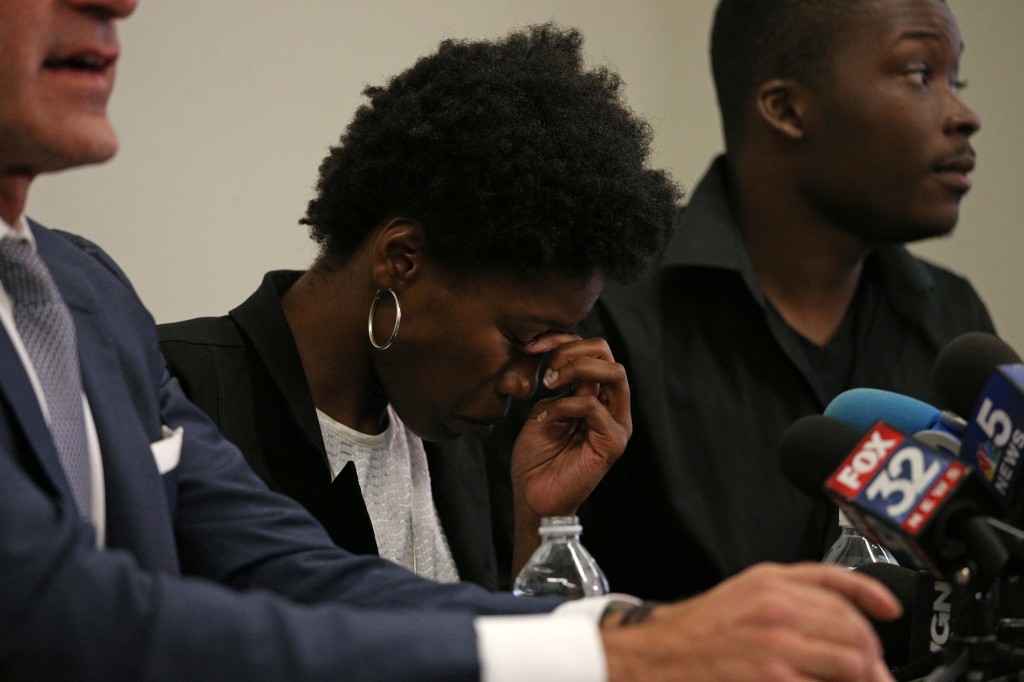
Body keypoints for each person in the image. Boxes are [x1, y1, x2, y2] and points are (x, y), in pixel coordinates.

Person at [0, 1, 902, 680]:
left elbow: (294, 569)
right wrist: (623, 653)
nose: (118, 2)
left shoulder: (87, 292)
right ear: (401, 259)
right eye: (522, 337)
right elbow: (93, 619)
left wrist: (586, 585)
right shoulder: (194, 369)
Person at [156, 24, 676, 589]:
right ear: (400, 260)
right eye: (523, 338)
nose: (524, 385)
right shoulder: (173, 390)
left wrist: (544, 522)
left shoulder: (453, 437)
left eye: (551, 346)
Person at [558, 0, 997, 602]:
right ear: (787, 109)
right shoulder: (609, 309)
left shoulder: (955, 325)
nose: (965, 115)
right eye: (919, 74)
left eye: (958, 79)